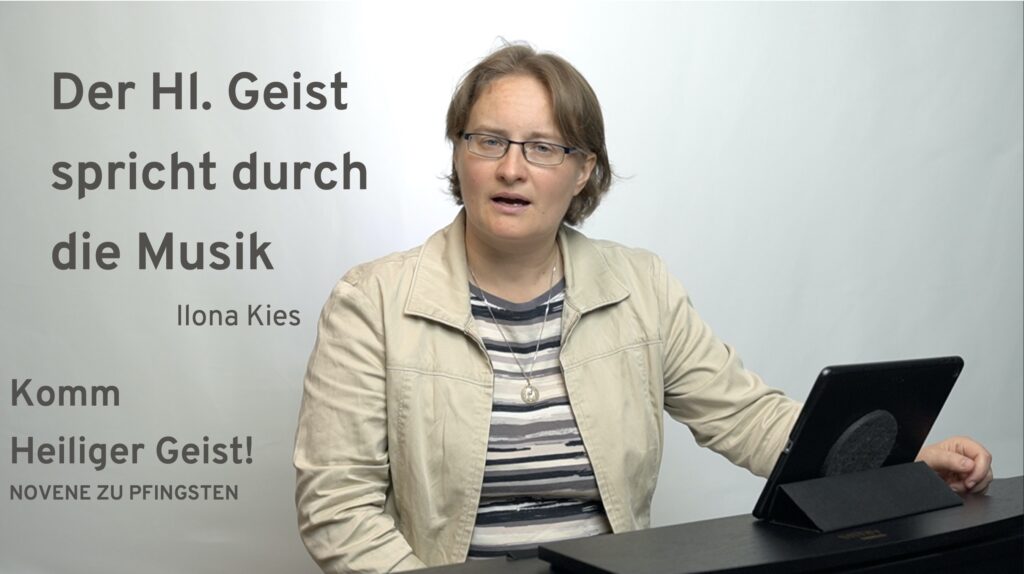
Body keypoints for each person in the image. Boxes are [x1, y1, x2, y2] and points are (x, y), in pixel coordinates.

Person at [293, 43, 993, 573]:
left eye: (543, 148)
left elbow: (748, 418)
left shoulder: (640, 286)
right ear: (460, 154)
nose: (511, 167)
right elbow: (337, 505)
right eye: (488, 140)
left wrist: (905, 459)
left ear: (583, 170)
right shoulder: (372, 301)